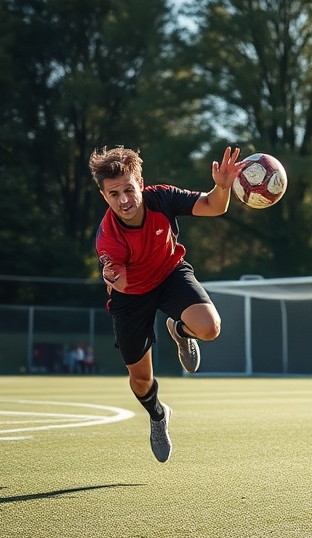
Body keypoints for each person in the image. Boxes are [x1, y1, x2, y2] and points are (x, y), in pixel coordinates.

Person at [89, 144, 245, 463]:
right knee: (141, 379)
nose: (124, 200)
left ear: (141, 184)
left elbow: (213, 206)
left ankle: (180, 330)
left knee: (210, 328)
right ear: (104, 196)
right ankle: (159, 416)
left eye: (129, 190)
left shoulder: (163, 198)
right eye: (114, 194)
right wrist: (112, 275)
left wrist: (223, 186)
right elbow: (118, 278)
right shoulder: (108, 236)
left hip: (170, 274)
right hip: (131, 299)